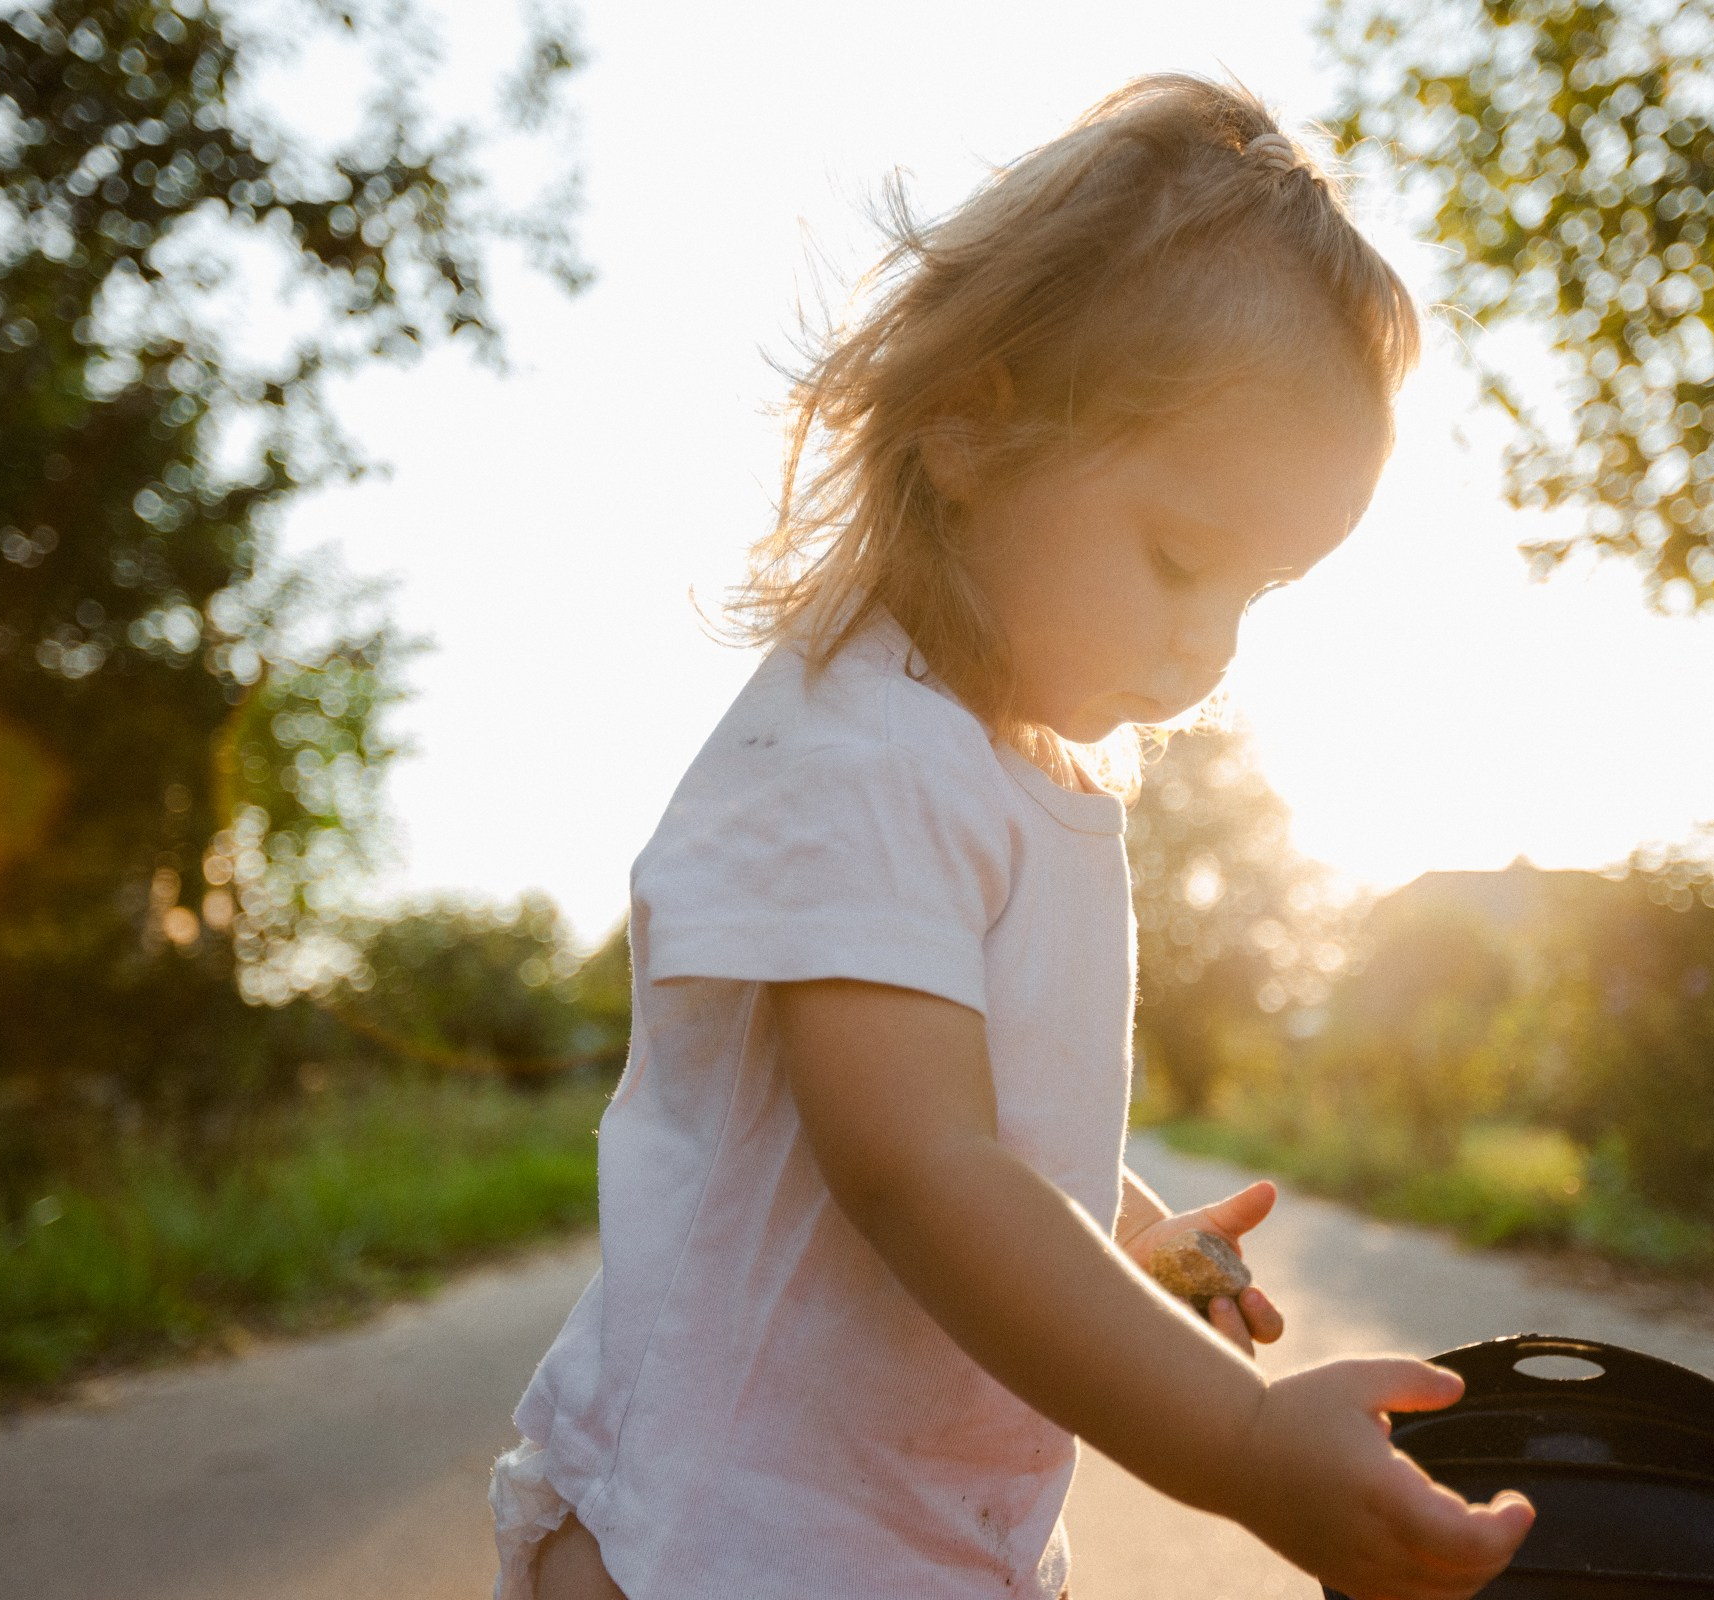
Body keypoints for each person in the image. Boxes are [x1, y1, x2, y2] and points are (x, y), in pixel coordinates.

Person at [490, 73, 1535, 1600]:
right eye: (1180, 559)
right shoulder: (860, 755)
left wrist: (1127, 1235)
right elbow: (919, 1167)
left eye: (1256, 595)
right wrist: (1242, 1446)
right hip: (714, 1541)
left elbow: (991, 1132)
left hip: (886, 1546)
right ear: (972, 431)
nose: (1213, 646)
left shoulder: (983, 770)